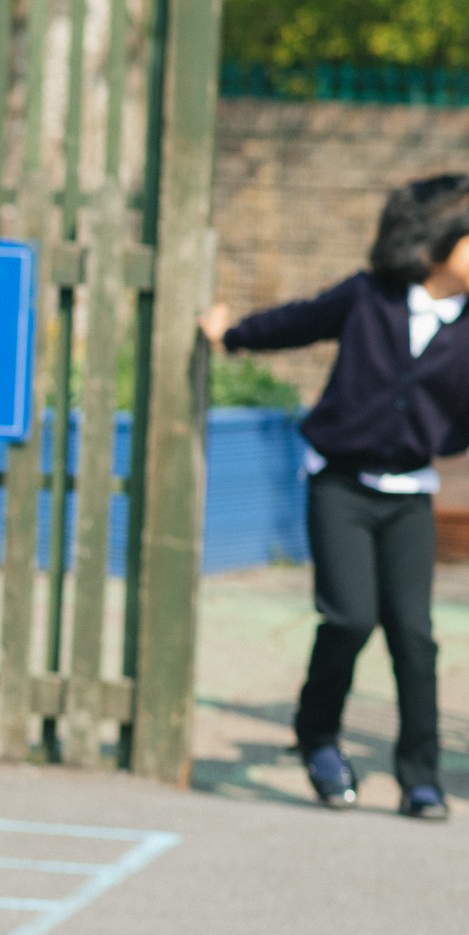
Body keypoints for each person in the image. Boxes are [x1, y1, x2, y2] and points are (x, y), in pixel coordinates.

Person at [202, 172, 469, 821]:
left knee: (413, 634)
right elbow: (297, 322)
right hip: (340, 485)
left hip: (408, 492)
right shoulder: (368, 297)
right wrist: (230, 333)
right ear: (435, 243)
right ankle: (317, 736)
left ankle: (420, 775)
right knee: (350, 617)